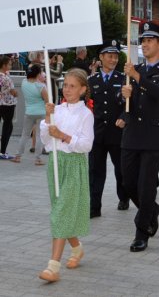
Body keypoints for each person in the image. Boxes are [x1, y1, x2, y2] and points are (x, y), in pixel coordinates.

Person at [39, 68, 94, 283]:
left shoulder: (85, 114)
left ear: (82, 89)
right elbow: (45, 141)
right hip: (55, 163)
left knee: (61, 213)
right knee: (60, 209)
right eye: (66, 85)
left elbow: (86, 145)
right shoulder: (57, 110)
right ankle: (77, 248)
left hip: (73, 165)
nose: (67, 89)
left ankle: (53, 267)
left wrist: (62, 135)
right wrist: (47, 117)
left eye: (72, 86)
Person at [121, 22, 159, 252]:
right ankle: (150, 210)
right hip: (132, 134)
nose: (145, 44)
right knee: (128, 183)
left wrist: (138, 79)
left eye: (150, 40)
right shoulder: (135, 70)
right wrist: (124, 95)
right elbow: (126, 101)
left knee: (146, 186)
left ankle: (141, 232)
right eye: (143, 40)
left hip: (152, 135)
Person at [88, 40, 129, 218]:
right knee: (95, 172)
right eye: (110, 56)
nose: (113, 60)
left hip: (117, 133)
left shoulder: (123, 79)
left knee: (121, 169)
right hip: (96, 133)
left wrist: (124, 117)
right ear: (101, 58)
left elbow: (130, 104)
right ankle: (94, 206)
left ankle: (124, 197)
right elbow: (86, 105)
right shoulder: (92, 80)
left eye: (115, 56)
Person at [10, 64, 48, 165]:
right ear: (38, 74)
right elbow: (47, 101)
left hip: (29, 112)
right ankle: (38, 159)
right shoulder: (41, 86)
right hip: (41, 113)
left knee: (25, 135)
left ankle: (18, 156)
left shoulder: (23, 83)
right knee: (40, 136)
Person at [0, 55, 18, 159]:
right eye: (9, 64)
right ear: (4, 65)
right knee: (7, 127)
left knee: (6, 126)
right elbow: (13, 91)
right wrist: (16, 94)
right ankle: (3, 151)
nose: (11, 66)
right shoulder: (6, 78)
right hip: (8, 104)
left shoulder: (4, 75)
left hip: (1, 103)